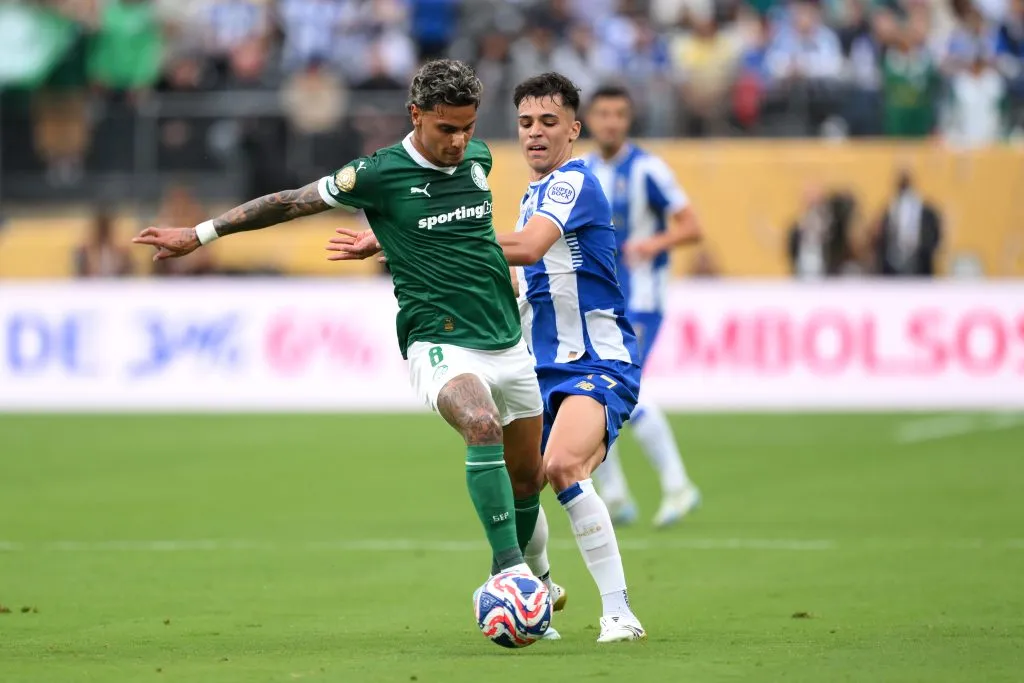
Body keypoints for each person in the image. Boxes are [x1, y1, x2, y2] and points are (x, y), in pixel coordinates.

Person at [131, 60, 566, 633]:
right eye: (446, 129)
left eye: (467, 127)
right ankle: (510, 572)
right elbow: (289, 201)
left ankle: (533, 580)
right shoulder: (376, 174)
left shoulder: (480, 159)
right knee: (479, 422)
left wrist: (386, 240)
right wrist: (200, 234)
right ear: (416, 115)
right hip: (438, 340)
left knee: (526, 478)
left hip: (506, 339)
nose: (459, 141)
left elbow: (465, 234)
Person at [329, 72, 648, 643]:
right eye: (525, 122)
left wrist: (418, 232)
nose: (535, 134)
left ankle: (620, 612)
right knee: (525, 479)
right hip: (537, 361)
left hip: (596, 360)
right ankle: (539, 589)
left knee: (561, 468)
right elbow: (508, 264)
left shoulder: (572, 183)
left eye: (549, 122)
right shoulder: (532, 194)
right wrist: (397, 238)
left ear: (575, 130)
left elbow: (522, 247)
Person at [581, 84, 703, 528]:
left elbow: (691, 226)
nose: (611, 122)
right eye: (603, 114)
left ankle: (677, 485)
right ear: (588, 121)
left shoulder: (649, 169)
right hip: (596, 301)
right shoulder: (584, 170)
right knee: (588, 391)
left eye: (619, 114)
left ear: (628, 120)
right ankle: (615, 495)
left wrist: (655, 242)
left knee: (625, 392)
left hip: (641, 302)